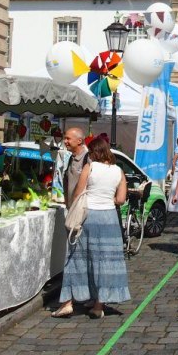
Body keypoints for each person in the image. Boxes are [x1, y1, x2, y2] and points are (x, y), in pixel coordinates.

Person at [53, 137, 130, 319]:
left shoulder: (91, 167)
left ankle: (67, 303)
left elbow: (78, 193)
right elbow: (120, 200)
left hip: (89, 216)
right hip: (109, 218)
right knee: (106, 261)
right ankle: (98, 305)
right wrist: (107, 199)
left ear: (93, 152)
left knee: (77, 258)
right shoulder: (119, 171)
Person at [62, 127, 88, 208]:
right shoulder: (71, 158)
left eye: (68, 139)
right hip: (72, 208)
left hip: (81, 209)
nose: (65, 141)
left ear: (79, 141)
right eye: (65, 139)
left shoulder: (88, 158)